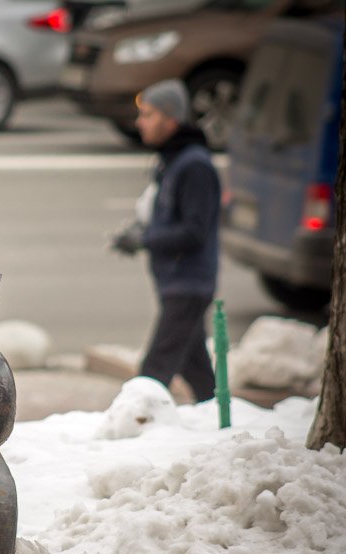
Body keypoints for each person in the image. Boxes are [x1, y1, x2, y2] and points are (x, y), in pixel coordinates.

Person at [111, 78, 221, 402]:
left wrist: (146, 239)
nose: (139, 123)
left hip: (188, 284)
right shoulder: (171, 160)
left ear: (170, 117)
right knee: (194, 364)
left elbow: (194, 231)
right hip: (175, 281)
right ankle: (217, 416)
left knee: (153, 372)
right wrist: (137, 234)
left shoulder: (195, 166)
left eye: (147, 115)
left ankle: (132, 426)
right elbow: (162, 216)